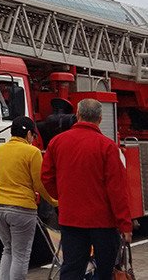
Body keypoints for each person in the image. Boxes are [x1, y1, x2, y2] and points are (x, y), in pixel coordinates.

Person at [41, 98, 132, 280]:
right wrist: (125, 224)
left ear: (78, 115)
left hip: (71, 219)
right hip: (103, 222)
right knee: (105, 270)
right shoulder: (108, 147)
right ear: (99, 119)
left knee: (71, 269)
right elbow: (117, 189)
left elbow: (46, 177)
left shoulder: (57, 142)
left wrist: (64, 196)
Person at [0, 116, 57, 280]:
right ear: (28, 133)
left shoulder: (1, 150)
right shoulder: (32, 151)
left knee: (8, 249)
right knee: (21, 254)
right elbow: (39, 184)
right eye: (34, 136)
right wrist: (54, 201)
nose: (33, 139)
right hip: (21, 209)